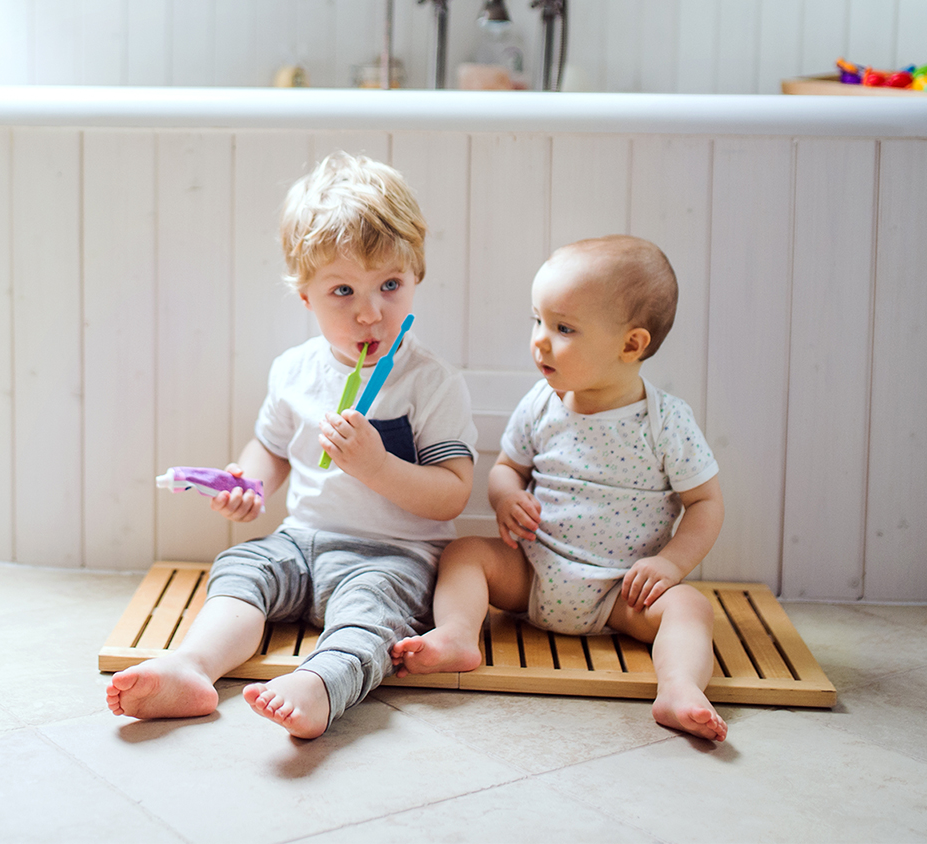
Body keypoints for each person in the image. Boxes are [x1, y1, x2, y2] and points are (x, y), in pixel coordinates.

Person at [106, 152, 478, 739]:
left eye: (390, 284)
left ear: (415, 278)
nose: (370, 311)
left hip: (394, 555)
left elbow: (452, 496)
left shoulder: (431, 382)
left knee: (371, 615)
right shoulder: (294, 371)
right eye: (341, 291)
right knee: (243, 567)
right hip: (302, 542)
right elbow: (272, 447)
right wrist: (249, 484)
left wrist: (377, 466)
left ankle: (322, 683)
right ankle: (193, 666)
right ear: (305, 298)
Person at [392, 235, 728, 742]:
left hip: (621, 592)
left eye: (563, 328)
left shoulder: (665, 422)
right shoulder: (541, 403)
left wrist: (671, 564)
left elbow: (705, 503)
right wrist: (506, 498)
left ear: (631, 345)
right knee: (463, 553)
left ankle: (679, 688)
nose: (540, 341)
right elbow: (506, 467)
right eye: (538, 321)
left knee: (690, 608)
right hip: (533, 573)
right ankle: (458, 636)